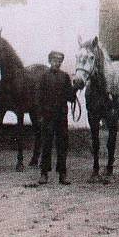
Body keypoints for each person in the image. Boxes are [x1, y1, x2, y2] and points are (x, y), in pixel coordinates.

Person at [38, 51, 77, 185]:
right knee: (46, 145)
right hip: (48, 117)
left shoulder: (65, 77)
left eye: (60, 60)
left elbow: (70, 98)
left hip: (61, 117)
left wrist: (75, 88)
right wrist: (41, 115)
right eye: (55, 60)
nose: (57, 62)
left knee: (62, 145)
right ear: (50, 61)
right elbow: (39, 98)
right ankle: (44, 174)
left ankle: (62, 174)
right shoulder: (44, 77)